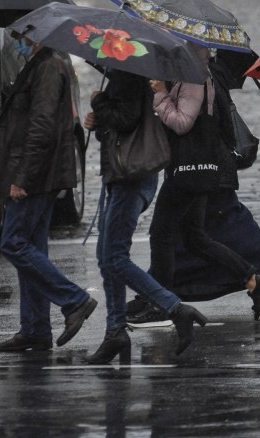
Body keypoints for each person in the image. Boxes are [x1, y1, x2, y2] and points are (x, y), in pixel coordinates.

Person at [141, 43, 260, 325]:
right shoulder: (195, 74)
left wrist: (161, 95)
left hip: (189, 169)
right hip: (198, 170)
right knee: (194, 237)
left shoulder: (193, 77)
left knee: (161, 233)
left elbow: (182, 123)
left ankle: (161, 304)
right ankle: (254, 280)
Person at [85, 68, 207, 363]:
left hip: (132, 176)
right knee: (106, 256)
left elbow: (127, 119)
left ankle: (176, 308)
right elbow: (120, 123)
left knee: (114, 256)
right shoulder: (125, 72)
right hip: (123, 173)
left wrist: (100, 102)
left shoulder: (128, 74)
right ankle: (115, 331)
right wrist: (99, 120)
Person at [0, 29, 97, 353]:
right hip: (39, 172)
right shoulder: (38, 64)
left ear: (33, 34)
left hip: (37, 175)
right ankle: (35, 328)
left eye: (18, 34)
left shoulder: (49, 65)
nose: (15, 40)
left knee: (14, 243)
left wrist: (23, 177)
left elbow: (42, 126)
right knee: (31, 247)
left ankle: (74, 300)